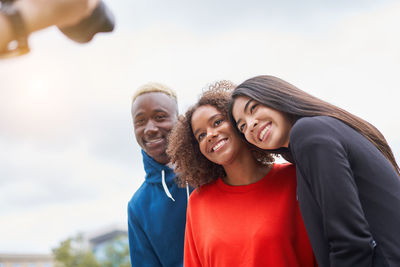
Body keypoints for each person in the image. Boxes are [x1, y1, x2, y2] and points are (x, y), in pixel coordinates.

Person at [230, 75, 400, 267]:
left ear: (275, 96)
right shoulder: (318, 133)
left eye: (253, 108)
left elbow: (351, 242)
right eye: (242, 126)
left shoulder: (308, 132)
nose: (251, 125)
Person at [167, 81, 316, 267]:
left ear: (238, 123)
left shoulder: (293, 178)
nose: (210, 135)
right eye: (201, 136)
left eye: (217, 122)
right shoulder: (198, 202)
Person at [127, 82, 191, 267]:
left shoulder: (213, 171)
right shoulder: (138, 205)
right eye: (140, 121)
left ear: (179, 120)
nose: (150, 128)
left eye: (160, 117)